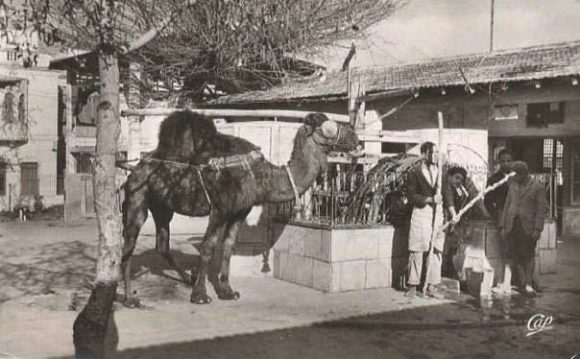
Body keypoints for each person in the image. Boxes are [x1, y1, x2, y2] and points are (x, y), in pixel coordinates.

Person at [499, 161, 547, 294]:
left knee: (528, 256)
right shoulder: (512, 186)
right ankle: (521, 282)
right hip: (512, 225)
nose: (512, 178)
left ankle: (529, 284)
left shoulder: (538, 188)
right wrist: (503, 226)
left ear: (523, 174)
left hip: (528, 228)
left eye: (515, 175)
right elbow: (507, 206)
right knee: (514, 255)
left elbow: (541, 210)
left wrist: (538, 229)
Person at [405, 142, 445, 299]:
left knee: (435, 250)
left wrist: (450, 210)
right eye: (432, 152)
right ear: (423, 154)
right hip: (422, 212)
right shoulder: (415, 172)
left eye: (437, 152)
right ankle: (413, 285)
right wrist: (429, 199)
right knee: (417, 249)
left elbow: (446, 193)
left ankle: (432, 285)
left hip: (438, 214)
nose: (435, 155)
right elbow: (411, 195)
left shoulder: (441, 171)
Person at [442, 166, 490, 278]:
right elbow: (449, 199)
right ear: (450, 176)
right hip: (446, 217)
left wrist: (485, 213)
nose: (458, 181)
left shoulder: (462, 185)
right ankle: (442, 270)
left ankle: (451, 271)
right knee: (445, 246)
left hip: (459, 220)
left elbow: (475, 196)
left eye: (461, 179)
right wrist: (453, 215)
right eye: (456, 178)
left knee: (456, 246)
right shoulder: (445, 183)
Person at [485, 149, 513, 220]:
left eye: (508, 161)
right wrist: (496, 215)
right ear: (499, 162)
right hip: (502, 216)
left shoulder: (516, 178)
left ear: (512, 162)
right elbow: (488, 201)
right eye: (503, 161)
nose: (506, 163)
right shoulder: (493, 179)